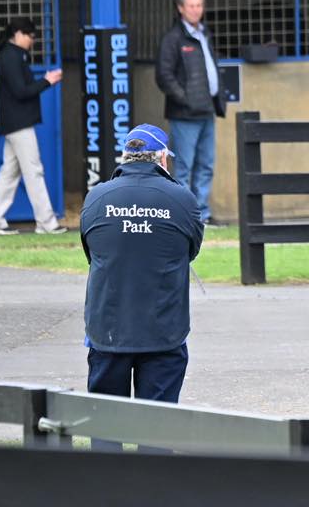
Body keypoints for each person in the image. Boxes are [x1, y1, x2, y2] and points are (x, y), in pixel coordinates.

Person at [81, 123, 203, 427]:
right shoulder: (182, 200)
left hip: (107, 329)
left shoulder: (96, 199)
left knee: (106, 425)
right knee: (158, 429)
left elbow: (92, 254)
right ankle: (156, 474)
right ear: (162, 158)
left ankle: (106, 475)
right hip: (163, 329)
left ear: (125, 157)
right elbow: (191, 250)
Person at [0, 17, 66, 236]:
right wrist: (47, 81)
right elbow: (21, 91)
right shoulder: (11, 57)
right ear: (18, 34)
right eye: (30, 36)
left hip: (14, 123)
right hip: (19, 124)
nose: (32, 40)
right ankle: (46, 222)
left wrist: (45, 81)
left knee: (9, 173)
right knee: (34, 171)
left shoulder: (12, 55)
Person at [156, 0, 226, 224]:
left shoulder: (204, 34)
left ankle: (202, 214)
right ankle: (183, 216)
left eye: (199, 5)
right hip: (185, 115)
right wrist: (186, 99)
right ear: (180, 8)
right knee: (184, 168)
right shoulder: (173, 39)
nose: (196, 10)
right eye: (191, 5)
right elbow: (164, 76)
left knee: (206, 165)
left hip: (207, 111)